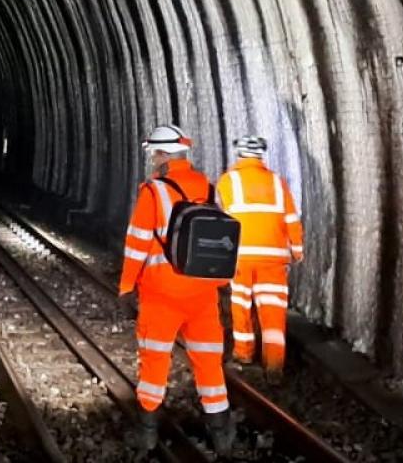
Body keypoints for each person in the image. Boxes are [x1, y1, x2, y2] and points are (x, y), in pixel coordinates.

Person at [118, 123, 234, 451]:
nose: (153, 160)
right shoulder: (209, 188)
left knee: (155, 362)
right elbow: (220, 242)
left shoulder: (153, 192)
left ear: (162, 155)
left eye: (154, 154)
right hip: (202, 295)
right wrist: (222, 285)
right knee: (209, 361)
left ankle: (147, 433)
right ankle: (222, 433)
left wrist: (127, 287)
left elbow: (137, 244)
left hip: (162, 296)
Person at [216, 135, 304, 381]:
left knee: (241, 305)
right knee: (273, 310)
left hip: (241, 256)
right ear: (260, 156)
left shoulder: (227, 182)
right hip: (273, 258)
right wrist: (296, 250)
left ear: (240, 155)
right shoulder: (278, 183)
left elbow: (220, 220)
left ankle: (244, 355)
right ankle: (274, 365)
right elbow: (291, 220)